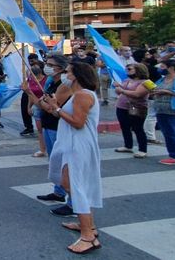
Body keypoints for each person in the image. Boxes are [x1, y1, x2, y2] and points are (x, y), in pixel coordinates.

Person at [41, 62, 102, 255]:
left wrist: (57, 110)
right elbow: (65, 116)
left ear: (76, 76)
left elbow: (78, 123)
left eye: (67, 72)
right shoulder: (78, 95)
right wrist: (55, 107)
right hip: (72, 144)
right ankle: (88, 225)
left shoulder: (83, 95)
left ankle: (88, 237)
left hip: (80, 145)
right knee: (68, 184)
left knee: (77, 187)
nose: (65, 75)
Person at [24, 53, 74, 215]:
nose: (47, 66)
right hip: (48, 124)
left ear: (60, 67)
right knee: (54, 160)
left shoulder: (65, 84)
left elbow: (50, 107)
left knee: (63, 163)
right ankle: (58, 192)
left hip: (57, 126)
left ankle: (73, 202)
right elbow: (45, 102)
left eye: (50, 64)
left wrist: (30, 94)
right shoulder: (52, 81)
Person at [152, 59, 175, 169]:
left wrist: (168, 92)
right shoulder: (161, 79)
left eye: (162, 66)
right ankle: (174, 157)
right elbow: (155, 89)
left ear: (170, 68)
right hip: (161, 110)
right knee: (168, 134)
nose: (160, 69)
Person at [113, 63, 151, 158]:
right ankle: (128, 145)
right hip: (122, 106)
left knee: (138, 128)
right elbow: (120, 91)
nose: (127, 71)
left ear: (139, 70)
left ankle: (142, 149)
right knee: (124, 127)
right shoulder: (127, 80)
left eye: (130, 69)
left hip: (137, 107)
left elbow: (137, 94)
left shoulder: (147, 82)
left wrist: (122, 90)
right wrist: (118, 88)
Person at [24, 65, 48, 158]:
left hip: (45, 104)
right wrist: (29, 107)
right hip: (36, 106)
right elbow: (31, 95)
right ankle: (42, 149)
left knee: (48, 128)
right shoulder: (30, 80)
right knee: (40, 129)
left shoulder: (46, 80)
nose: (30, 76)